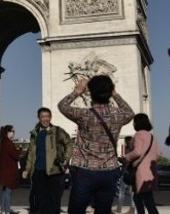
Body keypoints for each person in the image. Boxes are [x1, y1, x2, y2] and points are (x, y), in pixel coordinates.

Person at [58, 75, 135, 214]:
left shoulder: (84, 114)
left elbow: (62, 105)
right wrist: (115, 94)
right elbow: (130, 112)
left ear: (91, 93)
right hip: (110, 171)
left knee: (76, 210)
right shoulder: (118, 115)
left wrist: (77, 91)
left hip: (85, 170)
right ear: (110, 91)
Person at [22, 107, 72, 214]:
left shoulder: (58, 131)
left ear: (50, 117)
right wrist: (27, 169)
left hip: (55, 171)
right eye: (42, 117)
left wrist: (66, 159)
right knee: (40, 202)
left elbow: (69, 143)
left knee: (54, 202)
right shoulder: (34, 134)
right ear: (38, 118)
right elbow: (31, 153)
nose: (45, 119)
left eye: (47, 117)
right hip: (38, 171)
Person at [120, 113, 160, 214]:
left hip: (140, 172)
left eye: (134, 122)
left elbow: (137, 152)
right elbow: (157, 155)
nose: (133, 125)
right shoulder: (152, 136)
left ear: (138, 123)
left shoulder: (138, 135)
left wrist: (126, 157)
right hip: (151, 173)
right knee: (140, 198)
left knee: (146, 201)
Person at [0, 125, 21, 214]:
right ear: (8, 132)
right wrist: (20, 150)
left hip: (4, 171)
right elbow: (15, 155)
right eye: (12, 131)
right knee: (8, 192)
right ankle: (7, 211)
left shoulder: (3, 142)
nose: (14, 133)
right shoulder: (8, 143)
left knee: (4, 191)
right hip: (9, 171)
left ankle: (3, 210)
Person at [116, 136, 136, 214]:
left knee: (123, 192)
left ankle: (123, 208)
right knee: (129, 193)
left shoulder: (131, 151)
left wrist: (122, 160)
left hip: (128, 173)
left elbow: (127, 162)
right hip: (129, 173)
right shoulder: (133, 150)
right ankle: (130, 209)